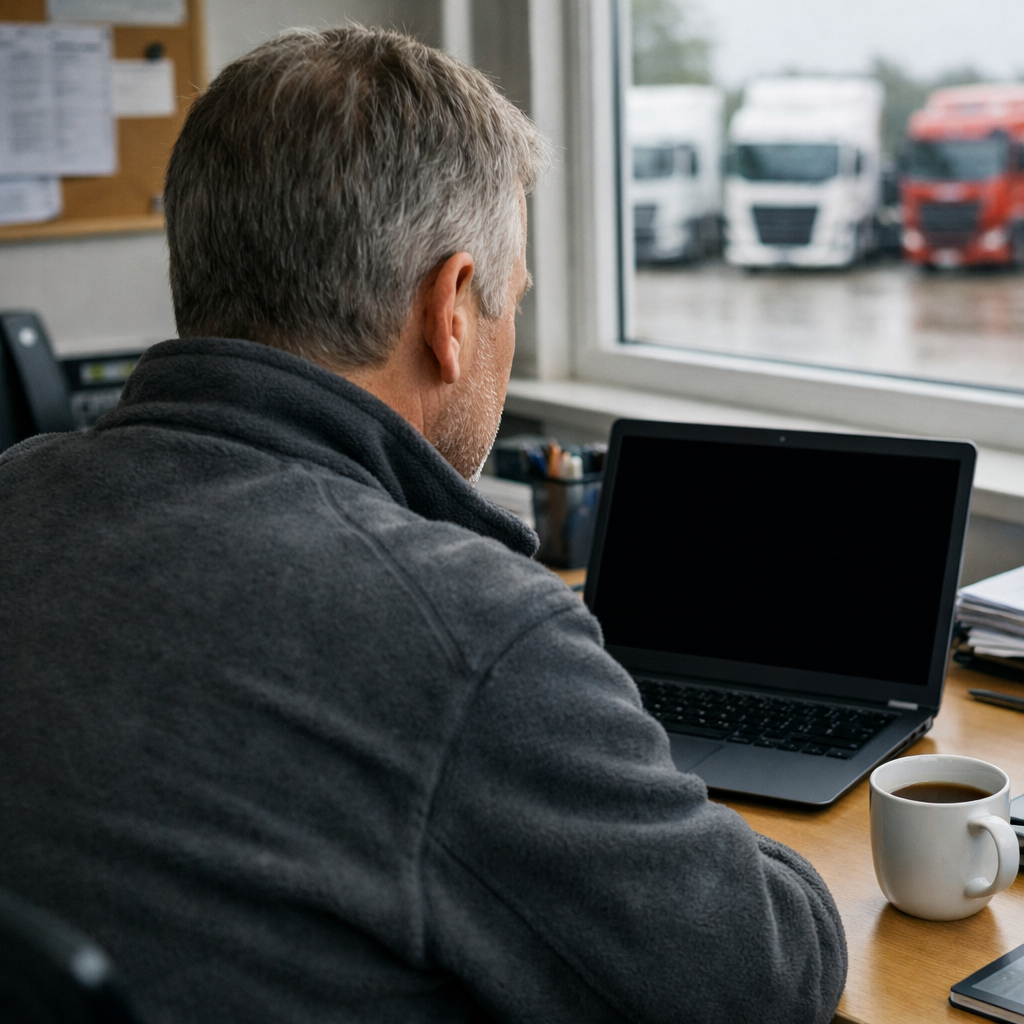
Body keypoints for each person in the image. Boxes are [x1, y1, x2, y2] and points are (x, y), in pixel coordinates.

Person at [0, 25, 846, 1024]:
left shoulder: (19, 489)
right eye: (512, 298)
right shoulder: (466, 633)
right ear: (451, 310)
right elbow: (761, 980)